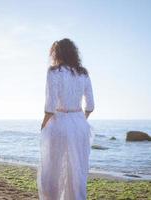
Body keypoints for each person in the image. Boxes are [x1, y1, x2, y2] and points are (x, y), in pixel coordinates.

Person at [37, 38, 95, 200]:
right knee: (77, 170)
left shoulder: (54, 72)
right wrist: (80, 119)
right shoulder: (83, 73)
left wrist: (43, 124)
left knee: (53, 169)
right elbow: (90, 105)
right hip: (79, 124)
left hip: (59, 122)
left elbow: (50, 105)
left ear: (57, 53)